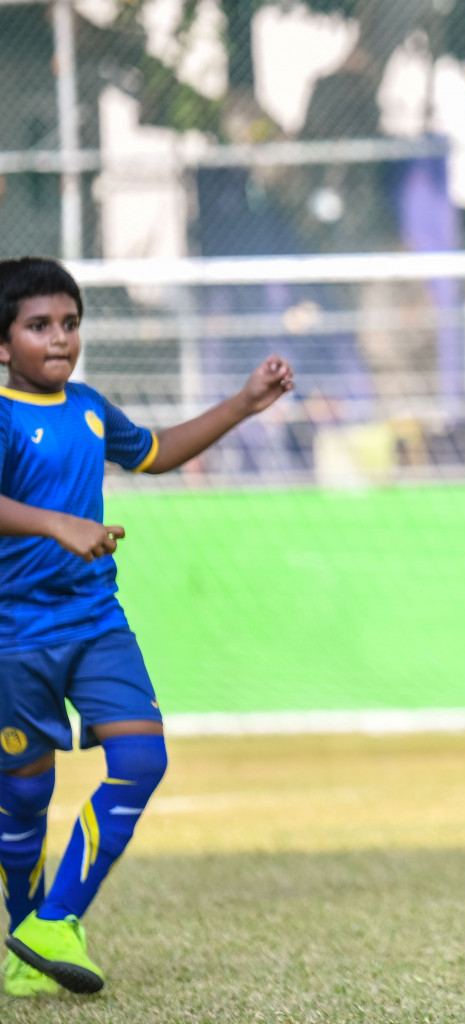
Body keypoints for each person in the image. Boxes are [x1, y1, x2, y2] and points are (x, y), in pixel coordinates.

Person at [0, 257, 294, 997]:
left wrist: (243, 402)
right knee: (24, 798)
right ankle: (20, 936)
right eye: (39, 326)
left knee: (142, 760)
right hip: (14, 638)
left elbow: (156, 453)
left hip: (97, 621)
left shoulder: (90, 405)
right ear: (3, 344)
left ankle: (54, 921)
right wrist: (56, 524)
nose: (60, 339)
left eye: (70, 324)